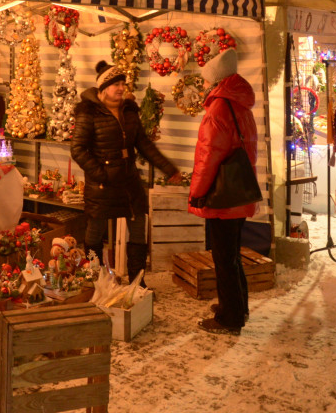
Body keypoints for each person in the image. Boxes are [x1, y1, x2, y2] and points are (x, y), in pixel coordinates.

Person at [71, 60, 182, 283]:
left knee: (138, 229)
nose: (122, 88)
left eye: (123, 83)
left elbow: (144, 144)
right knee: (94, 233)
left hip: (129, 181)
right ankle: (96, 282)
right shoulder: (88, 112)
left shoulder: (129, 111)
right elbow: (78, 149)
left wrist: (168, 168)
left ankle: (137, 282)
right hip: (101, 184)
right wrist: (101, 173)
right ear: (103, 87)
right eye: (116, 84)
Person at [187, 47, 260, 336]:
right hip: (240, 193)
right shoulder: (240, 105)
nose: (204, 85)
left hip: (221, 196)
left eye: (206, 80)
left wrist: (196, 193)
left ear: (216, 81)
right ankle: (237, 306)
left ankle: (230, 319)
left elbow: (208, 158)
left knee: (223, 258)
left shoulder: (218, 109)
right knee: (231, 255)